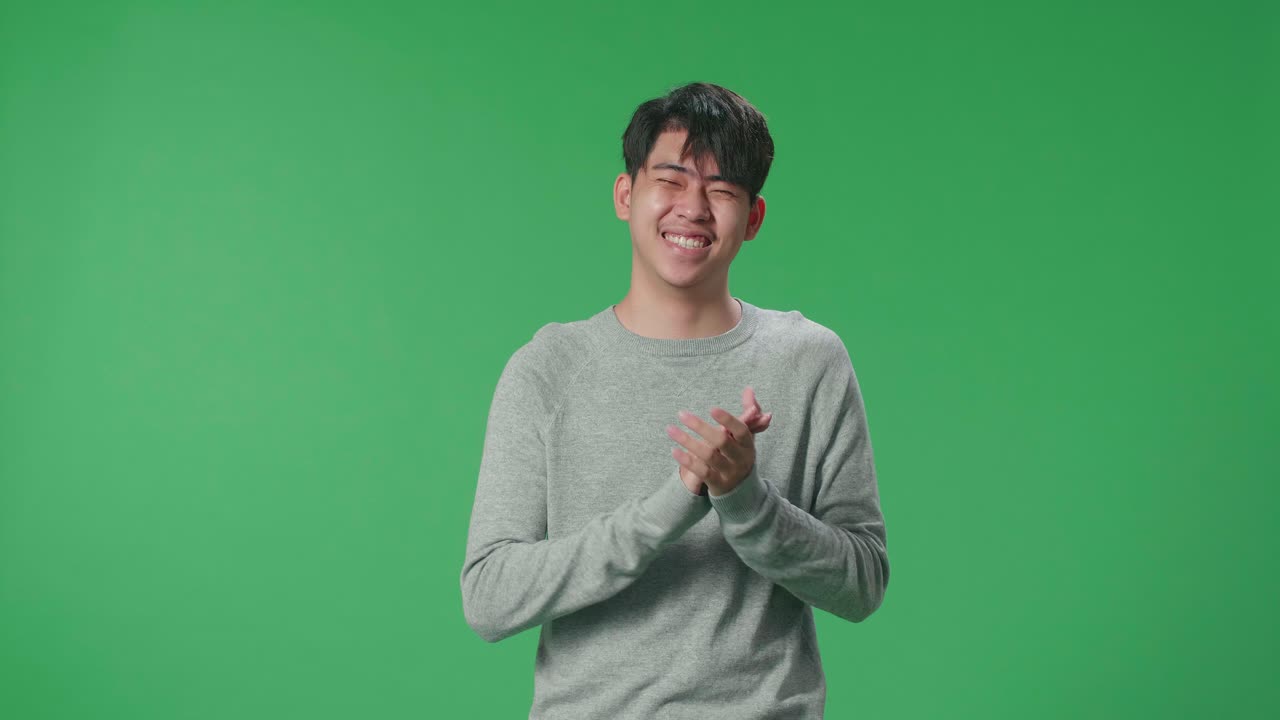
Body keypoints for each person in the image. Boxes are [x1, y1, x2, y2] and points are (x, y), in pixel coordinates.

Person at [460, 81, 890, 719]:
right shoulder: (547, 369)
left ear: (753, 218)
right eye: (671, 180)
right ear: (625, 195)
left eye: (722, 191)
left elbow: (862, 585)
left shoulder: (809, 359)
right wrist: (671, 505)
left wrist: (747, 499)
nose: (693, 209)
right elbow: (490, 599)